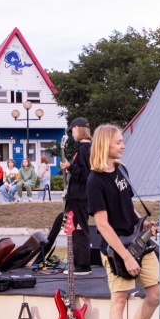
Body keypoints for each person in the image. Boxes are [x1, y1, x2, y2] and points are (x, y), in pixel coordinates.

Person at [87, 124, 158, 319]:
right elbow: (102, 225)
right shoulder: (94, 181)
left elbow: (128, 205)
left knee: (154, 295)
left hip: (137, 242)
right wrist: (126, 256)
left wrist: (142, 223)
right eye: (119, 142)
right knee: (119, 302)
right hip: (116, 250)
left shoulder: (122, 170)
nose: (123, 146)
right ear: (105, 144)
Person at [60, 117, 92, 275]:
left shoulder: (84, 149)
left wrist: (70, 167)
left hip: (80, 197)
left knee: (79, 230)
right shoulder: (85, 148)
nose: (72, 133)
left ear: (78, 129)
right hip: (77, 197)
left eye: (72, 130)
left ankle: (83, 265)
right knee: (75, 230)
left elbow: (86, 174)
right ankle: (77, 262)